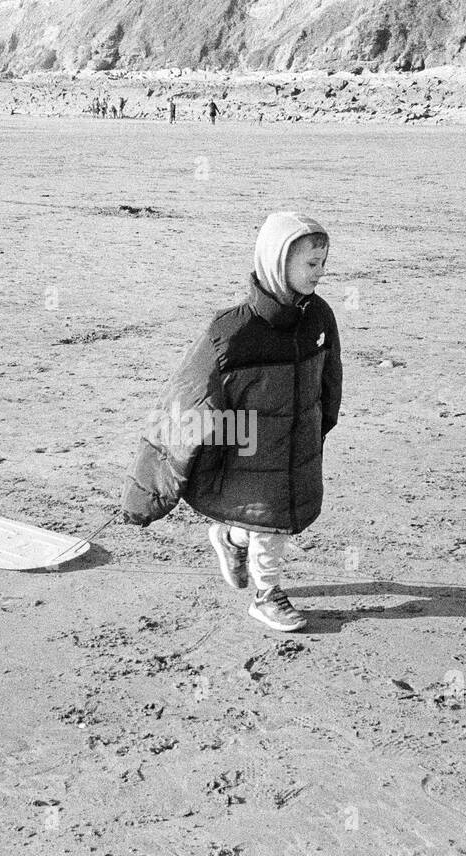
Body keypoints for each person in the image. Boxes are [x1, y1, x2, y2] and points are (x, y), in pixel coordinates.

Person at [121, 212, 342, 632]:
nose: (320, 273)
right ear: (277, 261)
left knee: (272, 522)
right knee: (271, 522)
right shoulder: (232, 331)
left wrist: (321, 425)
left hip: (299, 444)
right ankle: (267, 595)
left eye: (323, 263)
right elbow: (185, 402)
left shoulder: (320, 317)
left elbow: (332, 376)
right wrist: (146, 491)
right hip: (248, 448)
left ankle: (229, 537)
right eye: (310, 264)